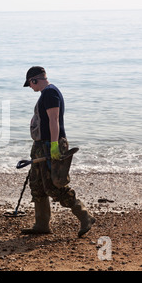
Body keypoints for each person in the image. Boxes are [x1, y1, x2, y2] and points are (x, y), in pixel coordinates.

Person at [21, 66, 95, 237]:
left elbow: (54, 120)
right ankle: (41, 224)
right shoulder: (45, 94)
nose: (30, 88)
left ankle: (85, 215)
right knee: (37, 184)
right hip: (41, 146)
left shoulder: (50, 93)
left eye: (30, 84)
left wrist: (54, 145)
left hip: (50, 145)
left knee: (54, 186)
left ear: (34, 80)